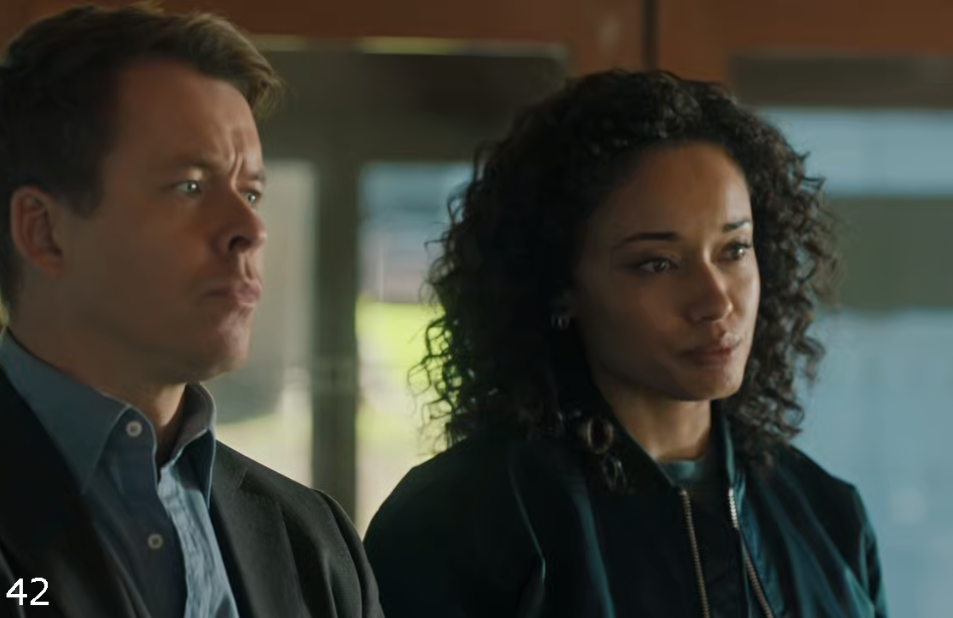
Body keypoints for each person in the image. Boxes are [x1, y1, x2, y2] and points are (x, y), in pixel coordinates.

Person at [0, 5, 382, 617]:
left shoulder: (313, 541)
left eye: (250, 191)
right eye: (190, 186)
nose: (250, 228)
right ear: (44, 232)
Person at [364, 69, 887, 618]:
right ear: (560, 285)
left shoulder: (830, 518)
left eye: (734, 250)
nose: (715, 300)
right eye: (657, 263)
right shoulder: (459, 524)